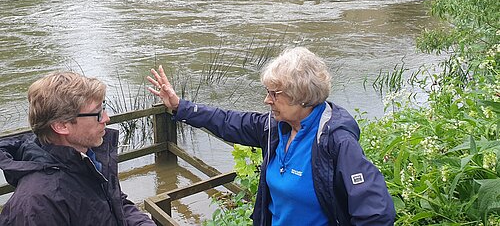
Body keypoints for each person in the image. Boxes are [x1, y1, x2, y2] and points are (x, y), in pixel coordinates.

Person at [147, 47, 396, 226]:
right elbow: (226, 121)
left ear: (302, 96)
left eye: (274, 94)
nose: (267, 100)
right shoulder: (275, 128)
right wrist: (181, 106)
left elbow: (376, 212)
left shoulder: (335, 141)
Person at [0, 72, 156, 226]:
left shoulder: (87, 158)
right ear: (61, 126)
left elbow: (115, 204)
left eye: (104, 107)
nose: (106, 118)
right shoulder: (37, 204)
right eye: (98, 112)